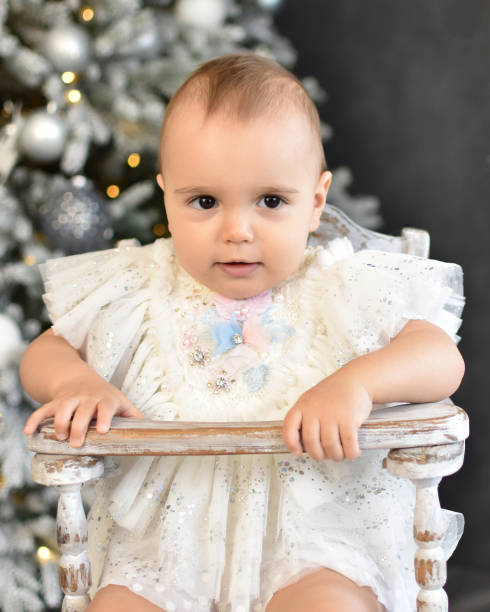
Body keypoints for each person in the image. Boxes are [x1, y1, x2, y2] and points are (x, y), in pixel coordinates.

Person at [20, 53, 465, 612]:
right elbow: (46, 350)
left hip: (312, 537)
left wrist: (358, 383)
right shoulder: (137, 287)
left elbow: (440, 356)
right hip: (168, 547)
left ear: (316, 202)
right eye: (204, 202)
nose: (236, 231)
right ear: (167, 195)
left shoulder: (342, 286)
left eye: (271, 201)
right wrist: (72, 382)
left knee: (328, 604)